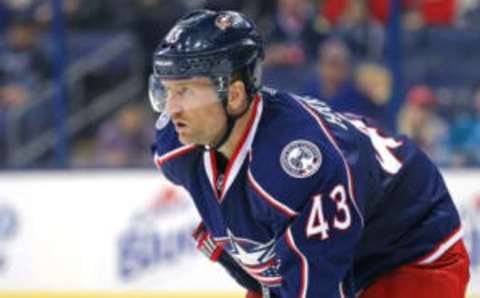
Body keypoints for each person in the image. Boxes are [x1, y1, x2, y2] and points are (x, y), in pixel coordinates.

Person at [149, 10, 470, 298]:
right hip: (341, 247)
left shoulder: (301, 166)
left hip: (411, 253)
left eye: (186, 91)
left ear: (233, 95)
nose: (172, 108)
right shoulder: (177, 142)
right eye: (168, 90)